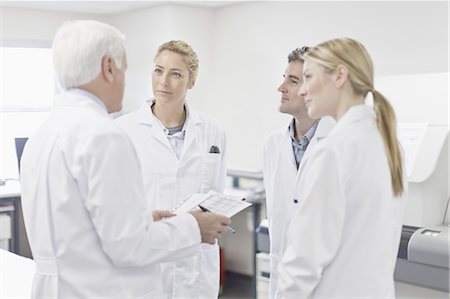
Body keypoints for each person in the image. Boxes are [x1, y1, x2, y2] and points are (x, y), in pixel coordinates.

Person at [19, 20, 230, 299]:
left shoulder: (44, 133)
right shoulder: (104, 135)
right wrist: (194, 227)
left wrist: (139, 219)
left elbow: (81, 225)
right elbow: (129, 245)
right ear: (109, 68)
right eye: (125, 69)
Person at [277, 37, 406, 298]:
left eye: (309, 77)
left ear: (339, 76)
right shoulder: (389, 143)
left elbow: (305, 260)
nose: (303, 90)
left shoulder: (334, 150)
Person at [115, 40, 226, 298]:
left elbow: (215, 195)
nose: (163, 81)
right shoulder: (123, 131)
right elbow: (117, 206)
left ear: (192, 80)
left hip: (196, 267)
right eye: (158, 70)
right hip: (147, 266)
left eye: (176, 74)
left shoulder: (212, 131)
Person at [262, 47, 334, 298]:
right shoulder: (273, 144)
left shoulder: (338, 144)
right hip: (283, 276)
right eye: (285, 78)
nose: (281, 87)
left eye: (292, 81)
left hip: (327, 282)